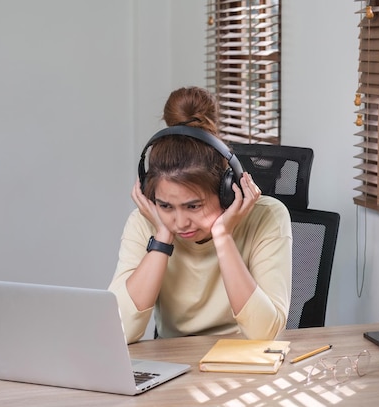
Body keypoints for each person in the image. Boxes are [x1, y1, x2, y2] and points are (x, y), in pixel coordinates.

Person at [108, 86, 292, 344]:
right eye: (166, 206)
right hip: (175, 364)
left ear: (227, 191)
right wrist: (162, 238)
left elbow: (264, 334)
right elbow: (120, 331)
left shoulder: (268, 217)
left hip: (246, 363)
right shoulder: (145, 223)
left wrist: (223, 236)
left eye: (193, 206)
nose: (180, 223)